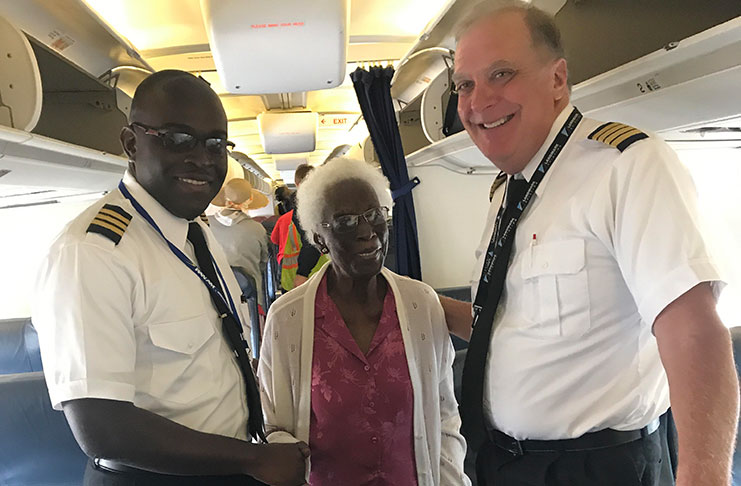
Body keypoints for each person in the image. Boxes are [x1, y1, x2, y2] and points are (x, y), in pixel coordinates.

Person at [438, 3, 739, 486]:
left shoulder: (625, 166)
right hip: (505, 464)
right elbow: (508, 327)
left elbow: (694, 332)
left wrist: (704, 476)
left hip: (596, 467)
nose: (478, 101)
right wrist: (417, 304)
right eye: (466, 85)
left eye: (501, 74)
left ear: (558, 80)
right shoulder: (507, 190)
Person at [33, 69, 309, 486]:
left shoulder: (196, 231)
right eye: (178, 139)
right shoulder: (92, 253)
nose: (201, 157)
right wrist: (256, 460)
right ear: (131, 143)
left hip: (228, 462)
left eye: (216, 143)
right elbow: (101, 426)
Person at [258, 157, 470, 486]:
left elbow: (443, 416)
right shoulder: (288, 318)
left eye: (374, 215)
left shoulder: (421, 304)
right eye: (344, 221)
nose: (367, 232)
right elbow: (275, 426)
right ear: (318, 240)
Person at [211, 178, 270, 309]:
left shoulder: (206, 225)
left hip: (217, 300)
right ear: (249, 200)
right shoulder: (257, 229)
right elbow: (264, 262)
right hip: (251, 302)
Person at [270, 164, 328, 290]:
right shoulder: (327, 205)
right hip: (325, 274)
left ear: (296, 183)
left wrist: (302, 272)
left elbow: (311, 241)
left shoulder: (288, 217)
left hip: (298, 277)